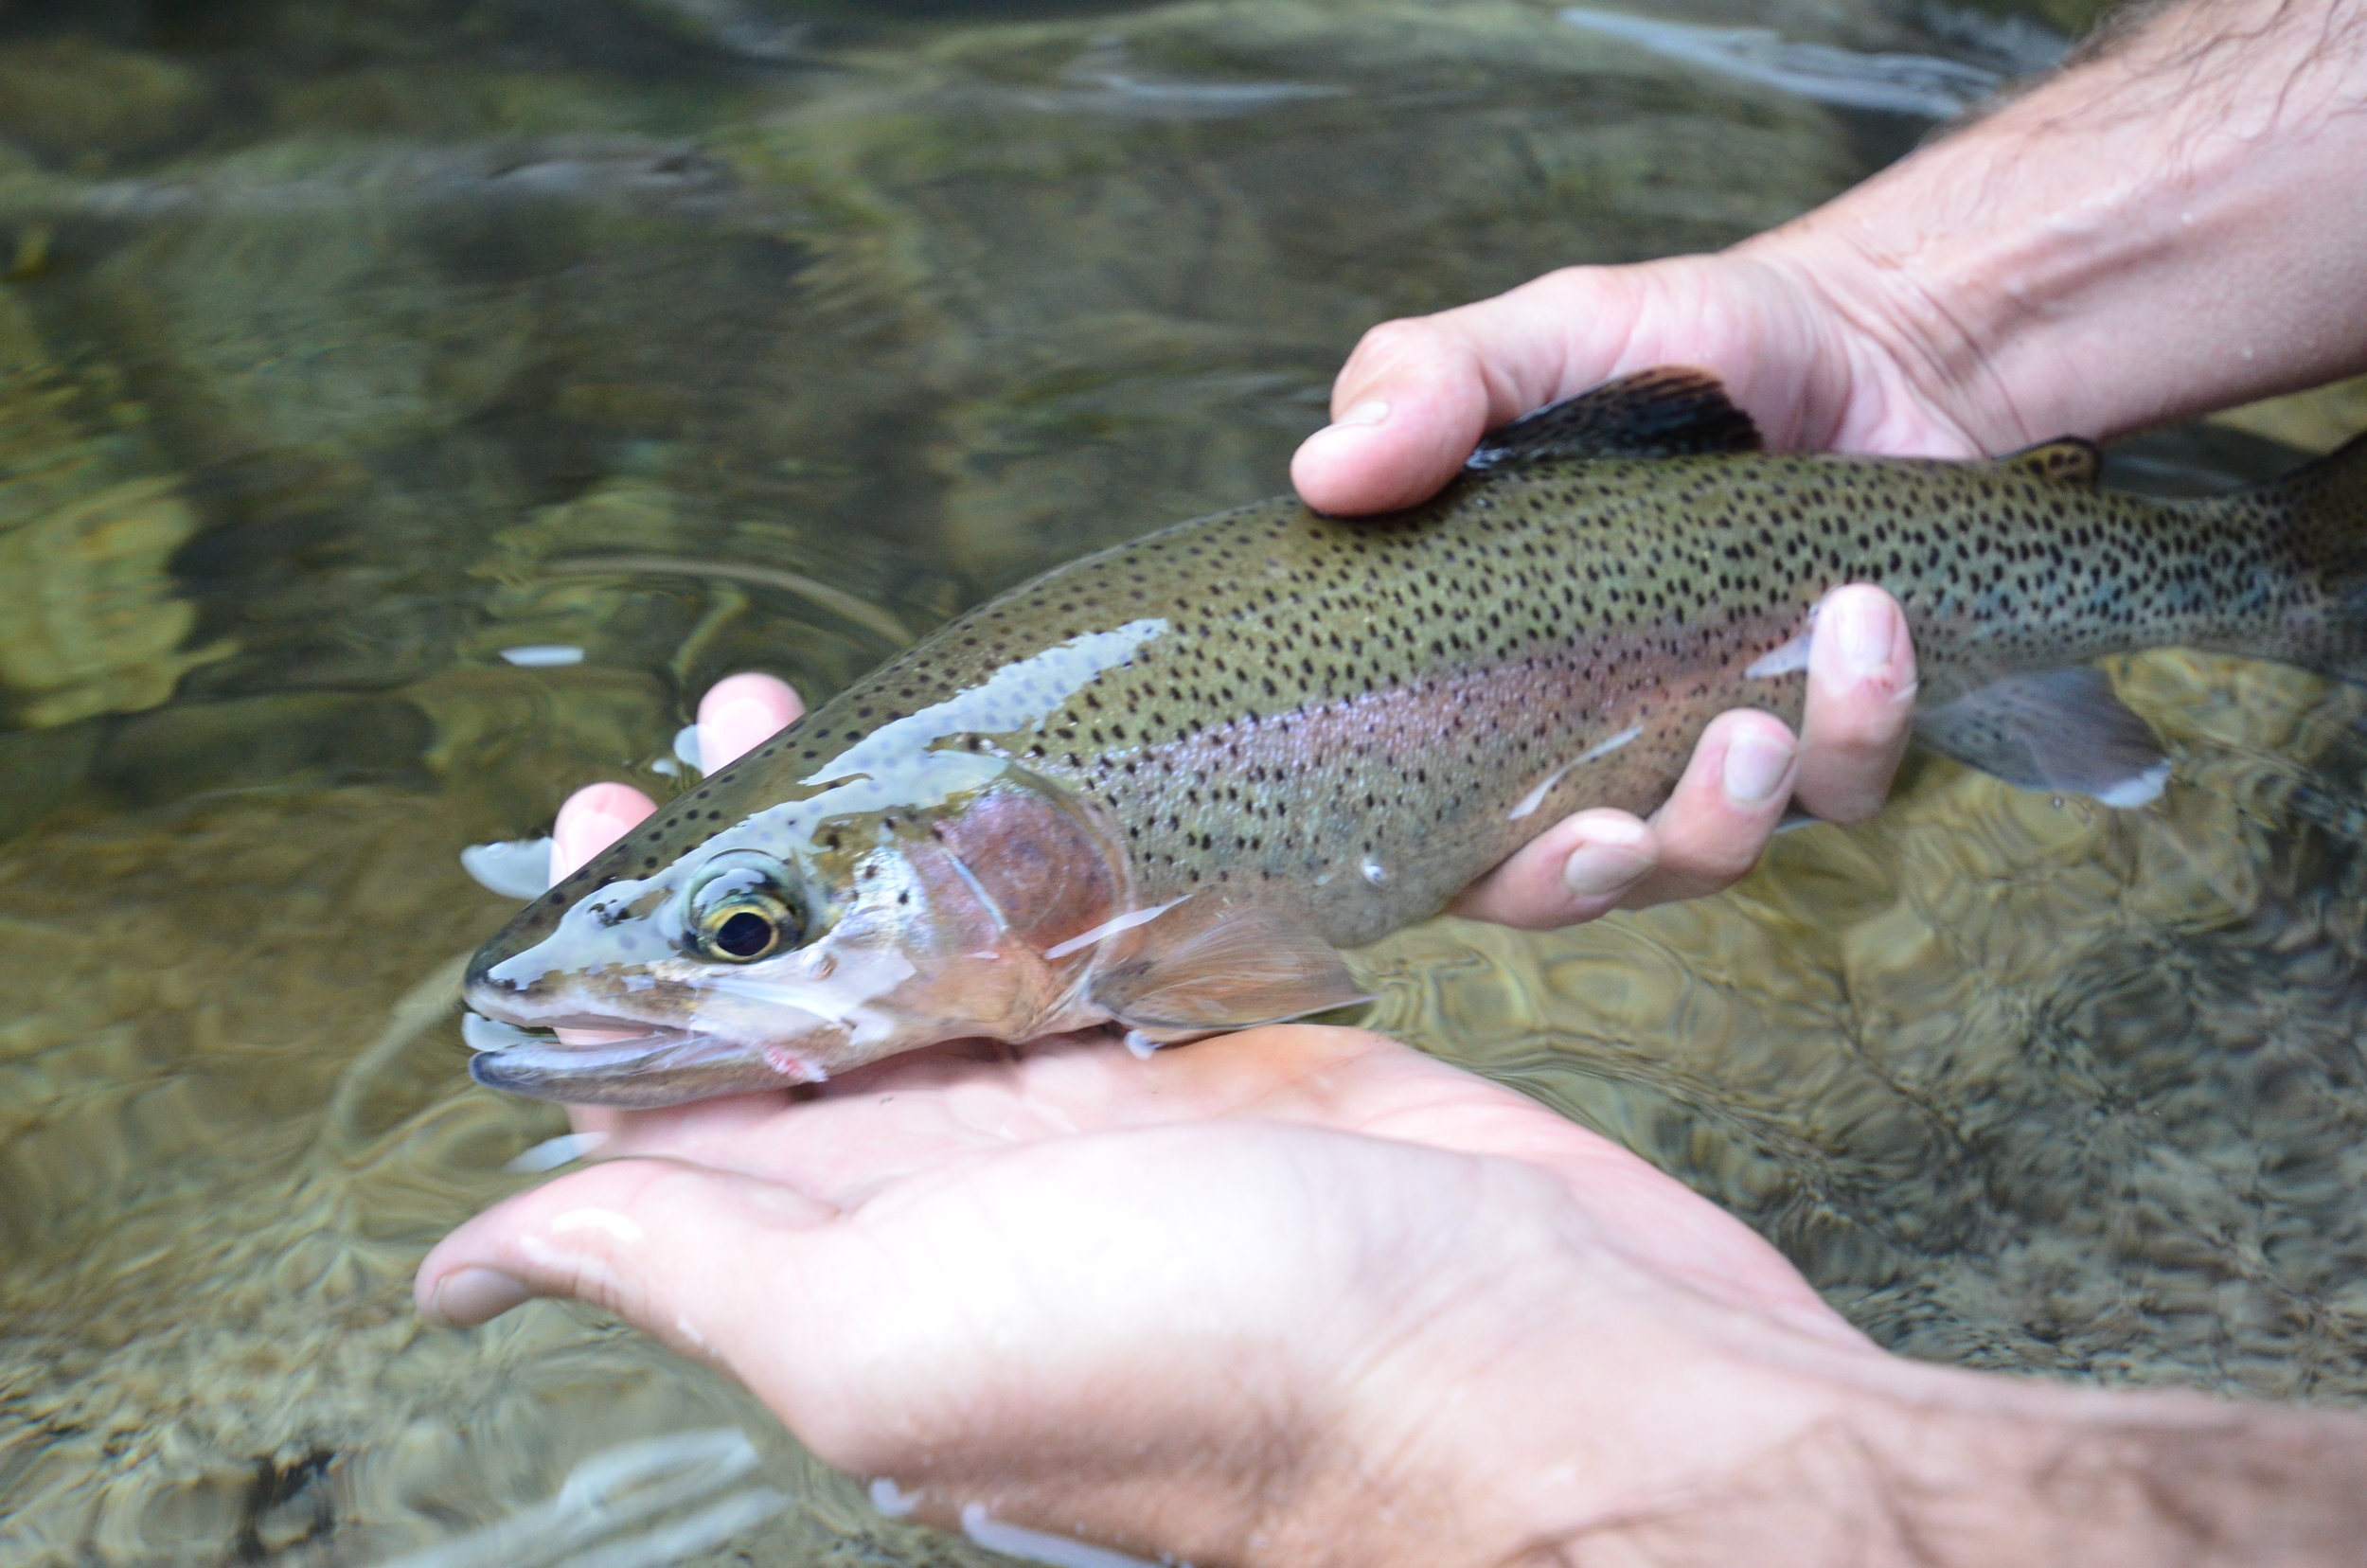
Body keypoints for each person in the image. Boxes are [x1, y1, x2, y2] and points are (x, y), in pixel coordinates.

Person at [417, 0, 2367, 1560]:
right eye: (742, 927)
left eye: (748, 926)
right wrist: (1899, 319)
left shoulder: (1131, 920)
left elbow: (1278, 992)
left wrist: (1357, 1441)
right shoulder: (1058, 870)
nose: (705, 974)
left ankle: (2290, 578)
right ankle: (2277, 574)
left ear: (1017, 864)